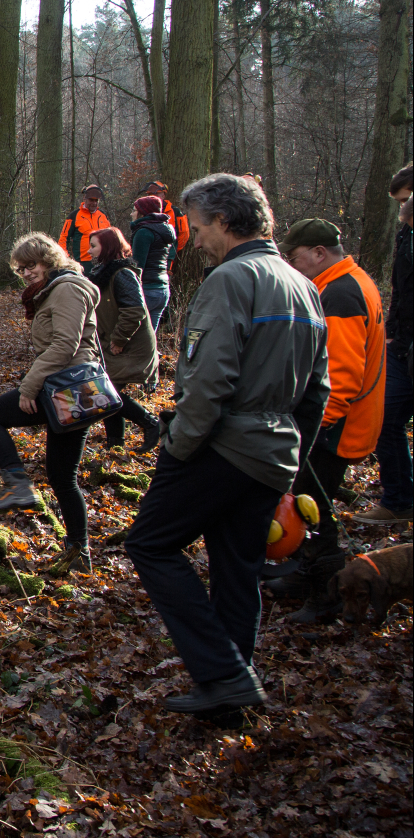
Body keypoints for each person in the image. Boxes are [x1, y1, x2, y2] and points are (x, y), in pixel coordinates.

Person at [124, 174, 328, 715]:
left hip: (223, 444)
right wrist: (292, 457)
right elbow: (317, 390)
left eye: (196, 225)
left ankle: (221, 671)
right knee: (237, 569)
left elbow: (209, 380)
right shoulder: (302, 285)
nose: (192, 238)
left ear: (224, 221)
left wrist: (178, 449)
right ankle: (231, 689)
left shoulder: (231, 280)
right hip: (272, 453)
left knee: (149, 543)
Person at [271, 218, 385, 622]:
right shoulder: (345, 283)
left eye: (297, 258)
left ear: (320, 253)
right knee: (309, 504)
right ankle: (305, 577)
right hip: (339, 424)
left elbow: (342, 375)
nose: (294, 267)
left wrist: (315, 429)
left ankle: (328, 594)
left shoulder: (340, 295)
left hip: (336, 428)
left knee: (312, 507)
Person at [0, 232, 104, 576]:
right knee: (63, 477)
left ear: (48, 260)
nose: (27, 273)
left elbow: (65, 345)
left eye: (31, 265)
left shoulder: (67, 288)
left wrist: (30, 387)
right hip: (67, 388)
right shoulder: (53, 289)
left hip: (70, 388)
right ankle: (79, 552)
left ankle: (18, 486)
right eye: (21, 268)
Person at [368, 164, 414, 523]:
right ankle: (398, 500)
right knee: (386, 419)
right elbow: (401, 288)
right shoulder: (405, 234)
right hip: (403, 345)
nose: (403, 210)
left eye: (406, 200)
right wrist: (394, 333)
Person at [88, 227, 160, 451]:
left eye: (94, 246)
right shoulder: (103, 273)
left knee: (106, 392)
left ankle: (151, 424)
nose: (89, 251)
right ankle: (115, 445)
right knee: (108, 392)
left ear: (107, 247)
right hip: (114, 344)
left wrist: (118, 340)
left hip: (130, 346)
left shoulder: (123, 274)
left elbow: (134, 311)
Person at [129, 196, 176, 330]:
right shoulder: (165, 229)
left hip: (148, 289)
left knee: (138, 339)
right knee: (150, 340)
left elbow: (137, 266)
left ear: (142, 212)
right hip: (163, 289)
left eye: (134, 210)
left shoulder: (144, 232)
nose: (132, 214)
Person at [59, 185, 112, 275]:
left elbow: (111, 237)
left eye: (96, 200)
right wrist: (65, 259)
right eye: (92, 200)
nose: (94, 203)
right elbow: (64, 238)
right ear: (85, 198)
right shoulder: (74, 216)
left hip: (103, 261)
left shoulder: (102, 215)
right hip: (83, 262)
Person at [142, 180, 191, 257]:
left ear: (163, 195)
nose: (152, 197)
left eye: (156, 194)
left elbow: (184, 234)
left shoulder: (175, 212)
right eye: (150, 195)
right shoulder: (144, 212)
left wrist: (172, 252)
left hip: (168, 256)